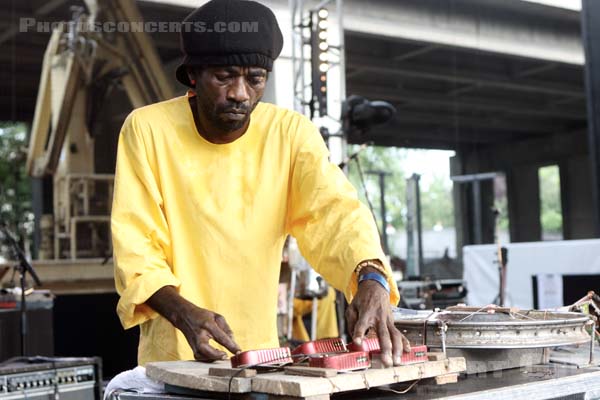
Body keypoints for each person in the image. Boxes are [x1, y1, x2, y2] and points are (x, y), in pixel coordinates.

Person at [111, 0, 409, 369]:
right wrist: (183, 313)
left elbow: (334, 213)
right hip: (173, 358)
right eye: (224, 77)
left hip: (260, 359)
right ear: (192, 75)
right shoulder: (147, 129)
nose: (240, 93)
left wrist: (370, 276)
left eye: (255, 79)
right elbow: (136, 246)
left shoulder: (290, 133)